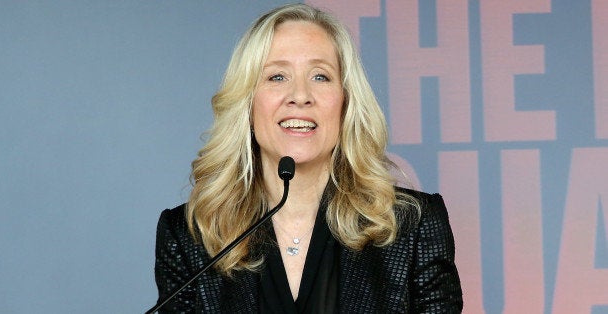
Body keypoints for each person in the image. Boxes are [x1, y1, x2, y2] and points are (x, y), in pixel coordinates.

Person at [153, 3, 463, 313]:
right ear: (246, 104)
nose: (300, 95)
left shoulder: (416, 225)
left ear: (345, 103)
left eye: (320, 76)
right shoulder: (189, 234)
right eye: (277, 77)